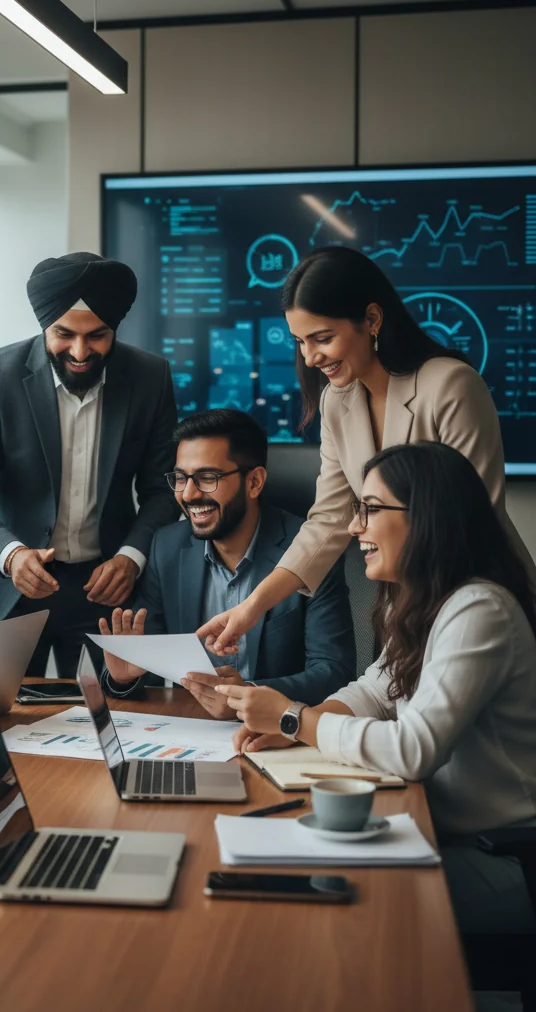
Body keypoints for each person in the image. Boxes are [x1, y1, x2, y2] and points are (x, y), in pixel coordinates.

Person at [218, 442, 536, 937]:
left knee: (335, 899)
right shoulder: (418, 599)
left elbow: (414, 750)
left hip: (506, 854)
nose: (353, 527)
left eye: (369, 509)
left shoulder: (480, 610)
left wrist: (293, 719)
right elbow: (375, 689)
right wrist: (300, 724)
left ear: (427, 516)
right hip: (445, 830)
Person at [198, 246, 534, 657]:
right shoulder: (337, 402)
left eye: (323, 338)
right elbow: (329, 520)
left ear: (372, 319)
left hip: (472, 601)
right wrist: (252, 607)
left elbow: (467, 521)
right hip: (402, 609)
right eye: (300, 341)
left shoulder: (450, 386)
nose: (309, 356)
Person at [0, 251, 178, 678]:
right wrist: (11, 555)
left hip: (105, 589)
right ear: (44, 326)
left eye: (98, 336)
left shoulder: (150, 378)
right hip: (10, 589)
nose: (80, 350)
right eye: (64, 334)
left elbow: (163, 491)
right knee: (2, 721)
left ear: (115, 329)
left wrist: (131, 557)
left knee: (107, 721)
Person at [99, 410, 356, 713]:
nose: (189, 494)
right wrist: (124, 677)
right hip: (193, 731)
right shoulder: (167, 546)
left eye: (208, 478)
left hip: (279, 735)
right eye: (180, 478)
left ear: (254, 482)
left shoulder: (309, 552)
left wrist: (246, 695)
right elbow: (152, 665)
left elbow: (334, 673)